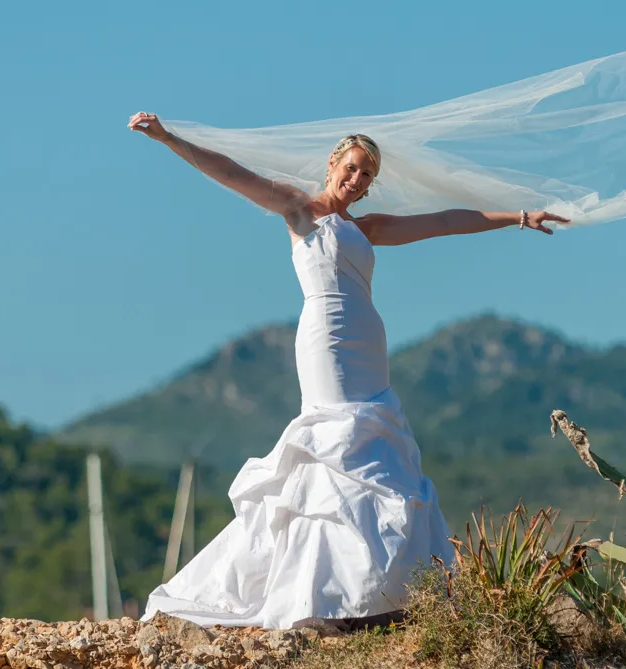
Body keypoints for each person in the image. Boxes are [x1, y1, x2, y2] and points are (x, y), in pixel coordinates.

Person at [127, 111, 571, 631]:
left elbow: (446, 221)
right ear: (333, 163)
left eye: (367, 176)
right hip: (326, 340)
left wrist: (518, 216)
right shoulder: (299, 210)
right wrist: (168, 138)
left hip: (368, 343)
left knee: (378, 453)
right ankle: (316, 597)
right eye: (353, 168)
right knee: (335, 446)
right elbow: (230, 172)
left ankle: (374, 594)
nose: (357, 181)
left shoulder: (368, 229)